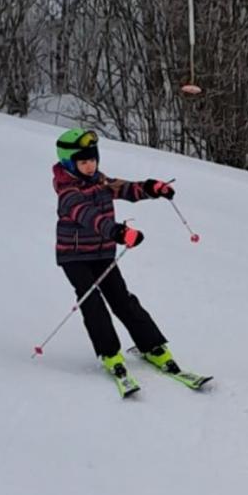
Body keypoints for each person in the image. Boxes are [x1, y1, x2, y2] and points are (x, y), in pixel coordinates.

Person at [52, 127, 178, 386]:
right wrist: (117, 232)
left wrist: (151, 188)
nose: (90, 166)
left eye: (93, 159)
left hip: (102, 252)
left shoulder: (100, 180)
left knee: (122, 298)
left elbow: (125, 189)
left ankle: (152, 346)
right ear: (69, 163)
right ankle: (109, 353)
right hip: (74, 256)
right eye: (83, 162)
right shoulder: (68, 193)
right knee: (92, 301)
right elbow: (89, 217)